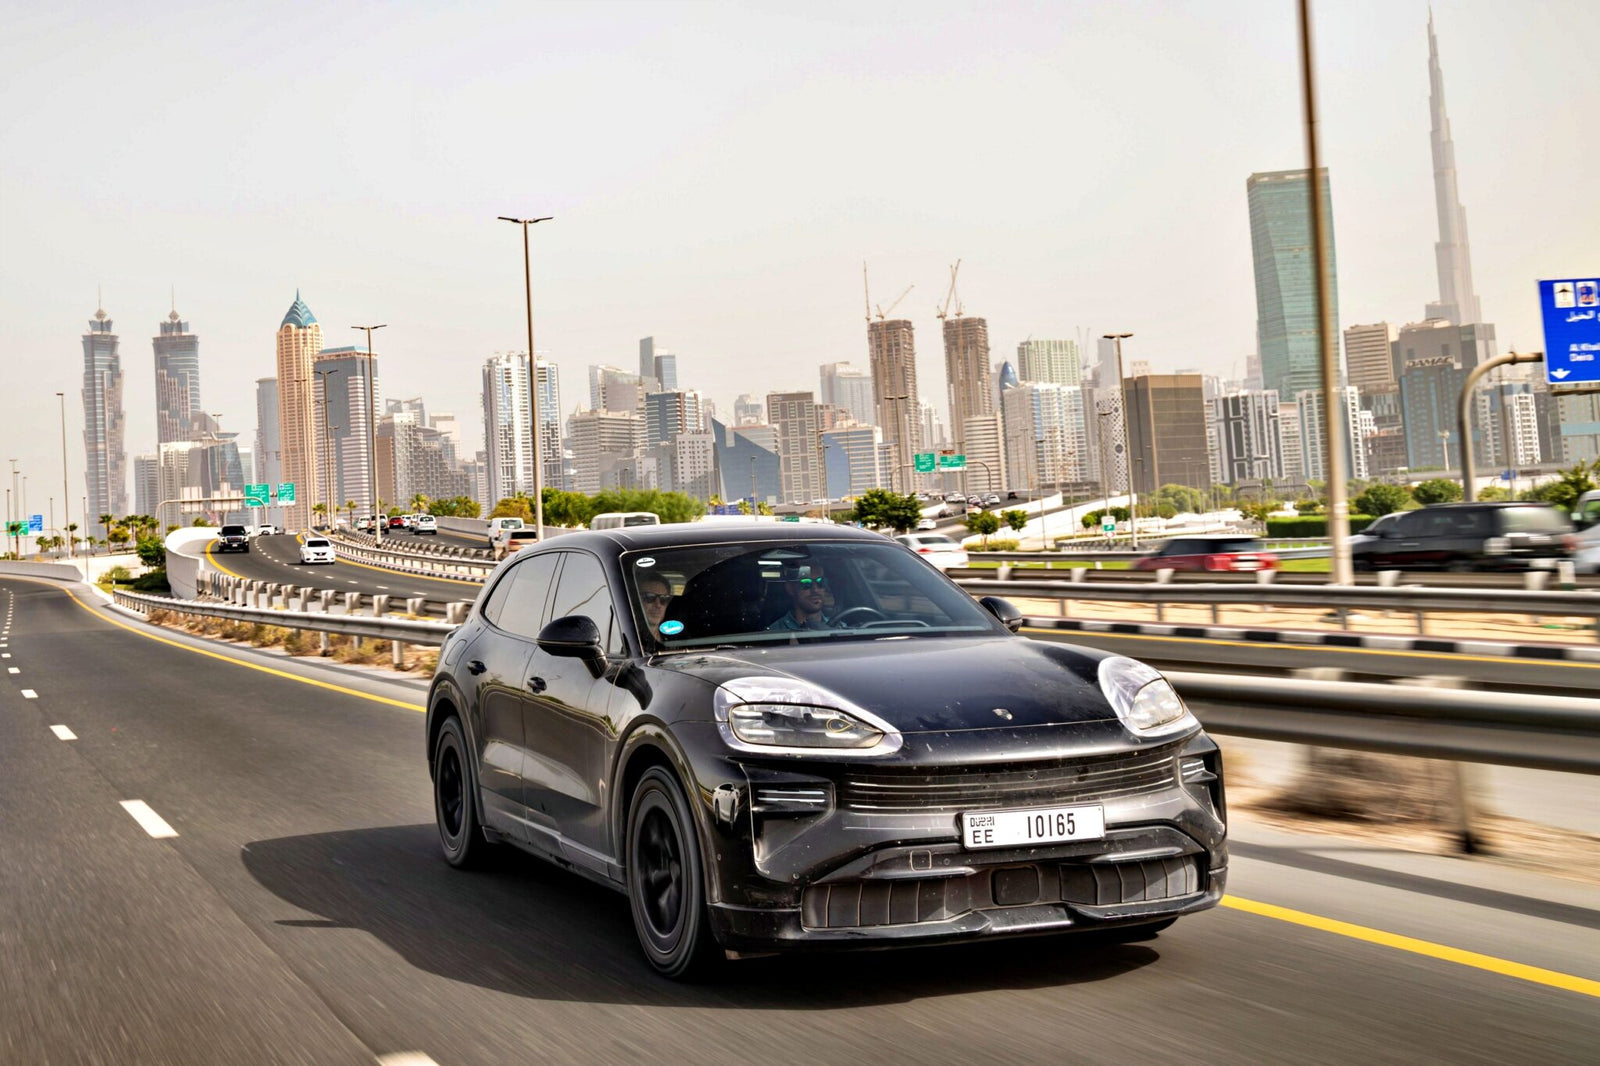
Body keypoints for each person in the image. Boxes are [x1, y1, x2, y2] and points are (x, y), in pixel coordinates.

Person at [767, 563, 834, 631]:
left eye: (821, 582)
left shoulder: (839, 629)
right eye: (806, 583)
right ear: (790, 588)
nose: (815, 590)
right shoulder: (774, 633)